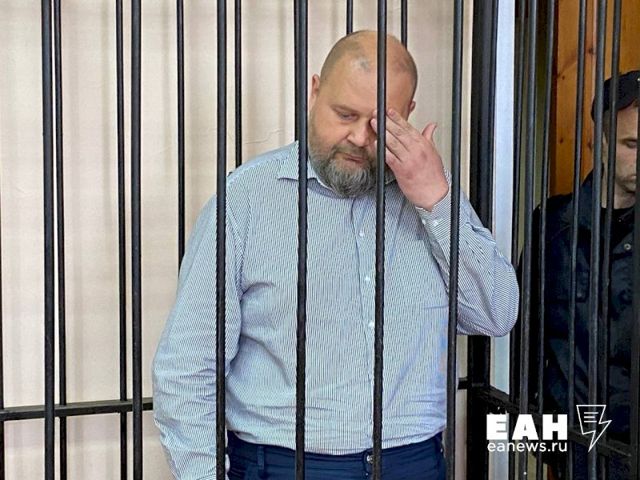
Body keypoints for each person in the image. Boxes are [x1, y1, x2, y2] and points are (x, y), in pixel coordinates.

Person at [153, 30, 519, 480]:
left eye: (381, 122)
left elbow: (495, 314)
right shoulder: (245, 200)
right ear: (314, 92)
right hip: (284, 464)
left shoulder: (433, 198)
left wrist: (435, 201)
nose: (359, 137)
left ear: (408, 115)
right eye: (345, 114)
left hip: (414, 462)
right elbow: (189, 365)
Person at [526, 70, 638, 480]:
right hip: (575, 442)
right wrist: (538, 432)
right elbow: (524, 333)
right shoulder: (554, 225)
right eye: (632, 144)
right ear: (603, 143)